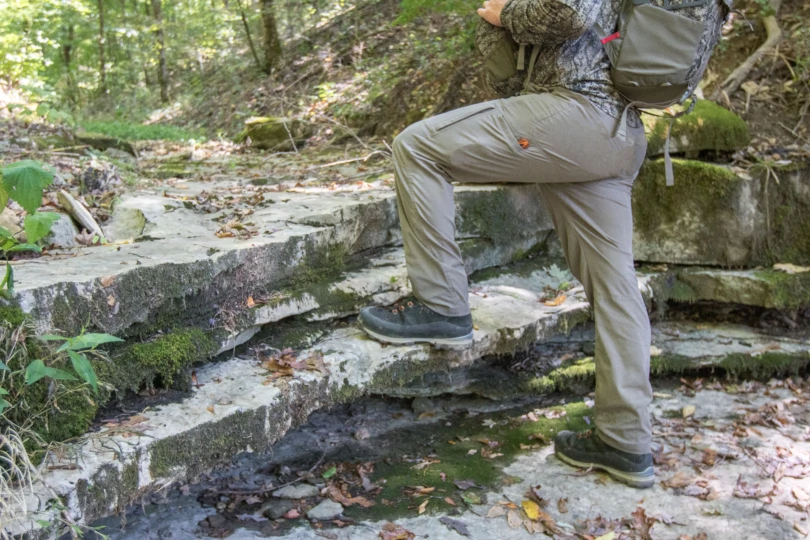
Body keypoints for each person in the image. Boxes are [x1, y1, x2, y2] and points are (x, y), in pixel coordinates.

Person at [358, 0, 654, 488]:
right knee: (616, 287)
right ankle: (625, 440)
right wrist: (496, 22)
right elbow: (509, 82)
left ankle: (441, 306)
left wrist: (504, 15)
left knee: (417, 146)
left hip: (578, 117)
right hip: (617, 132)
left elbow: (570, 14)